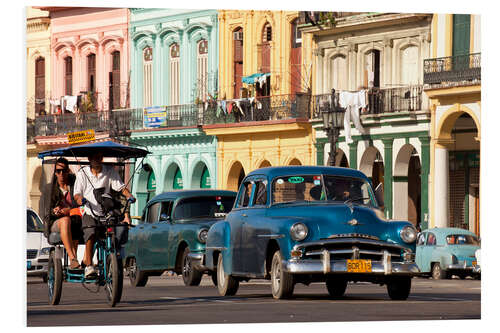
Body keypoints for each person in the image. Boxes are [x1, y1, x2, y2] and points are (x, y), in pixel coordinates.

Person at [73, 151, 135, 278]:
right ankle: (89, 265)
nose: (98, 159)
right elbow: (77, 194)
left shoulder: (109, 171)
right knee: (90, 233)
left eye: (100, 157)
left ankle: (112, 258)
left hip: (107, 212)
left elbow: (121, 187)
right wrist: (81, 200)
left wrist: (130, 196)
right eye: (95, 157)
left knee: (117, 232)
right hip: (90, 211)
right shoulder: (82, 173)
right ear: (89, 158)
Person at [44, 158, 82, 269]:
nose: (61, 174)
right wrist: (55, 211)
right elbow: (47, 210)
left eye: (64, 171)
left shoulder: (75, 184)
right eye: (58, 171)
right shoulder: (50, 188)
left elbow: (81, 201)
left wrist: (68, 210)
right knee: (66, 220)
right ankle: (73, 258)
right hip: (57, 222)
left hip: (76, 219)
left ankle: (86, 262)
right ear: (55, 173)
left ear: (68, 170)